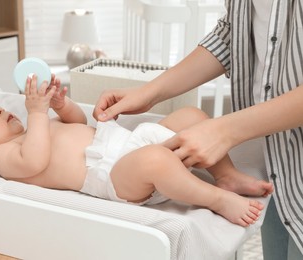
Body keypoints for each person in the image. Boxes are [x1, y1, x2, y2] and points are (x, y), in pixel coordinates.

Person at [93, 1, 303, 259]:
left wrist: (225, 131)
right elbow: (232, 34)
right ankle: (223, 183)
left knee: (184, 127)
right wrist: (148, 93)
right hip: (280, 159)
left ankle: (220, 189)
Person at [0, 74, 273, 227]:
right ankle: (217, 199)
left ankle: (226, 176)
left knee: (193, 118)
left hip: (128, 142)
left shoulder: (33, 129)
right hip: (115, 175)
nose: (2, 110)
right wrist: (37, 113)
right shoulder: (6, 159)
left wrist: (62, 108)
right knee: (156, 161)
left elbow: (78, 122)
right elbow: (35, 160)